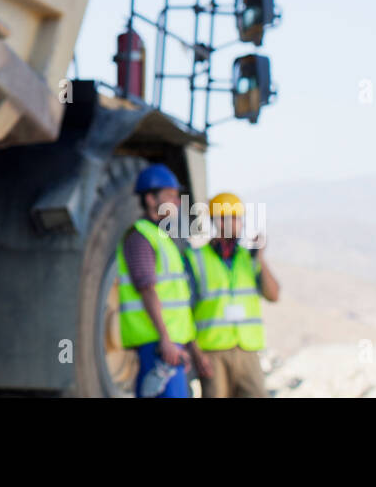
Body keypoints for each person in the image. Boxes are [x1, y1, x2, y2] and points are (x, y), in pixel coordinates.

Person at [114, 163, 203, 398]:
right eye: (170, 196)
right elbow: (147, 290)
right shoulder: (141, 237)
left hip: (170, 346)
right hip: (158, 346)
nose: (175, 202)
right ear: (151, 199)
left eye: (176, 197)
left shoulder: (163, 238)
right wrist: (165, 339)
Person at [184, 192, 280, 398]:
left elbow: (273, 295)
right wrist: (195, 351)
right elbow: (184, 311)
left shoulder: (249, 258)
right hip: (212, 352)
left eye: (239, 219)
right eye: (231, 218)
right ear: (217, 221)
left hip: (247, 351)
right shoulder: (196, 259)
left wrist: (260, 258)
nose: (237, 224)